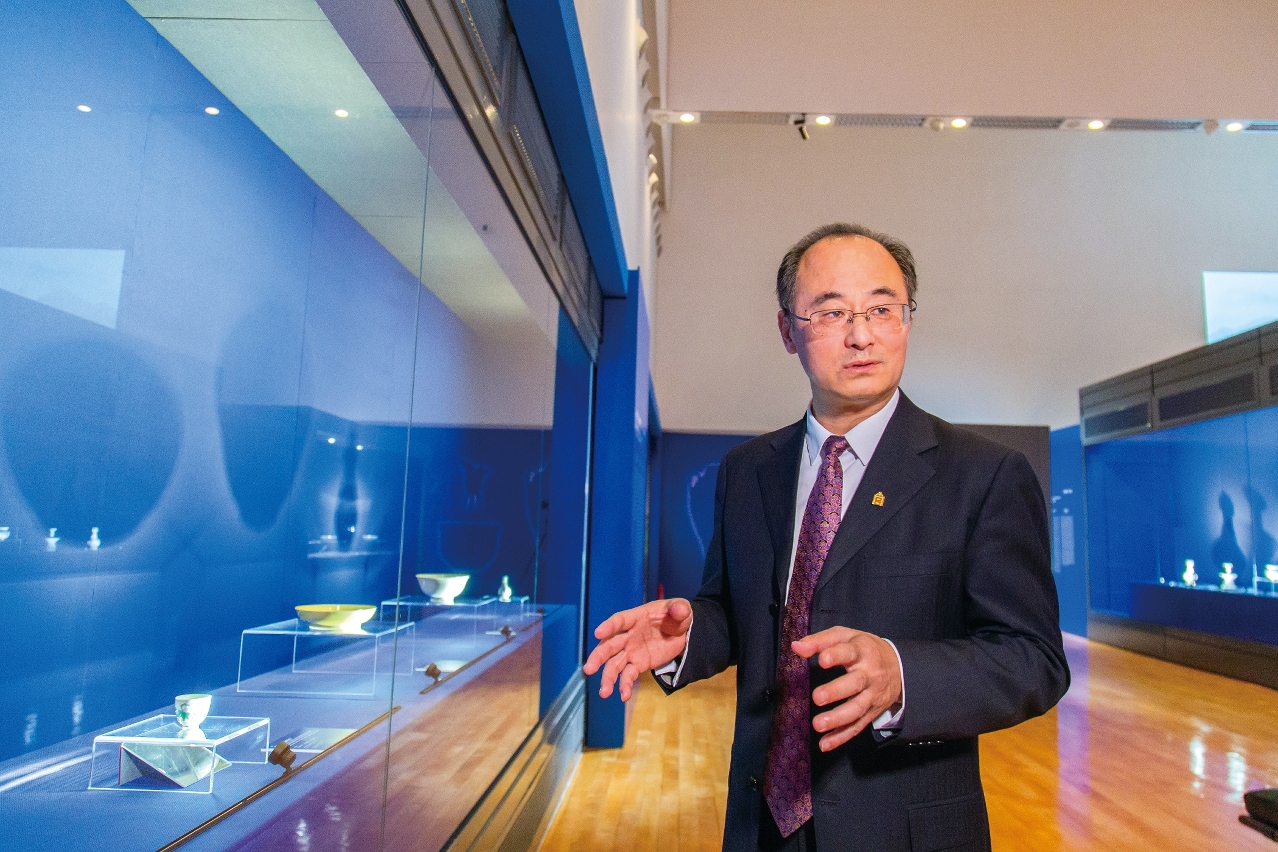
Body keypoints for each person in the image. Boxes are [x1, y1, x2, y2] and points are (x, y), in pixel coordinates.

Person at [583, 222, 1070, 852]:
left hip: (903, 830)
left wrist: (902, 675)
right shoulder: (748, 471)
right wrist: (691, 634)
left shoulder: (984, 475)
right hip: (762, 820)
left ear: (908, 320)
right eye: (831, 312)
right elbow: (746, 613)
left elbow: (1033, 659)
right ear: (788, 331)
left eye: (882, 309)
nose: (861, 334)